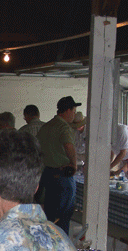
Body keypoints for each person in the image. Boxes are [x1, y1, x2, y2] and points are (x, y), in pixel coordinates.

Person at [36, 96, 81, 235]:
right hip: (62, 176)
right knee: (63, 217)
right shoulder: (63, 127)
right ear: (67, 110)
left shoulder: (46, 127)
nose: (74, 114)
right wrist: (74, 164)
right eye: (73, 110)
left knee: (50, 218)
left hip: (46, 175)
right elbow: (69, 146)